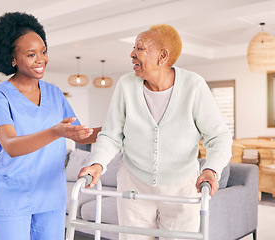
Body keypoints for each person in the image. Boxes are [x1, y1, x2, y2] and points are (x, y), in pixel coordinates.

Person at [78, 24, 232, 240]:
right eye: (134, 48)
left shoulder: (193, 86)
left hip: (182, 186)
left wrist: (211, 170)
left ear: (162, 56)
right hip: (134, 182)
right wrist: (98, 163)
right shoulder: (126, 85)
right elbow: (112, 135)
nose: (132, 53)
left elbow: (219, 137)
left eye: (139, 48)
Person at [0, 12, 100, 240]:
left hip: (51, 194)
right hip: (13, 195)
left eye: (44, 52)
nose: (41, 59)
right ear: (12, 58)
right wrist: (57, 131)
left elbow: (80, 135)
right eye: (31, 54)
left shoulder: (55, 93)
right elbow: (11, 146)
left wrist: (118, 129)